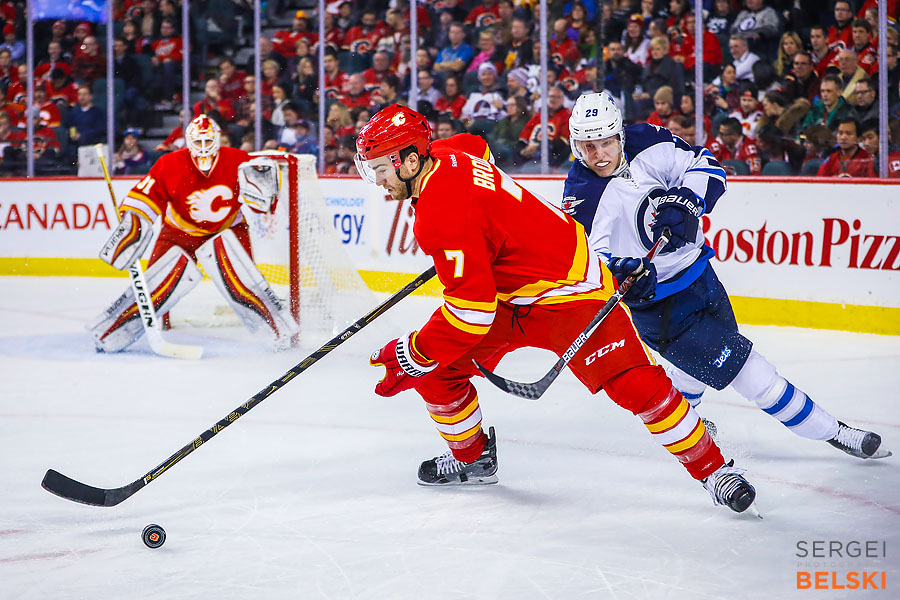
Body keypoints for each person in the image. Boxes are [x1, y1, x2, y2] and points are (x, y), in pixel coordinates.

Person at [355, 103, 759, 513]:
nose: (378, 181)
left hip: (573, 292)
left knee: (637, 386)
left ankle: (714, 470)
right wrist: (482, 231)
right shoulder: (445, 152)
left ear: (409, 160)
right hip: (509, 297)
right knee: (440, 372)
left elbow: (470, 313)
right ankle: (473, 458)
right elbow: (479, 148)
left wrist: (412, 353)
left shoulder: (440, 215)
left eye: (381, 170)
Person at [560, 91, 889, 464]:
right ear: (575, 145)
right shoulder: (582, 197)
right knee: (752, 371)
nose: (598, 154)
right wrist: (621, 270)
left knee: (699, 366)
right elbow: (586, 262)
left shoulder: (647, 140)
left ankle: (688, 418)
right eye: (588, 146)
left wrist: (686, 199)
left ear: (620, 135)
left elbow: (705, 165)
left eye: (605, 142)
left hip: (701, 275)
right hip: (662, 310)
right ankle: (834, 432)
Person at [88, 115, 299, 352]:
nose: (203, 148)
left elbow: (263, 203)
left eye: (208, 141)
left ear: (218, 139)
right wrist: (133, 226)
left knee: (244, 284)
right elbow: (146, 197)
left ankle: (277, 331)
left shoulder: (239, 160)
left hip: (228, 228)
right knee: (155, 287)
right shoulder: (169, 163)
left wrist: (265, 194)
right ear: (188, 141)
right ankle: (111, 332)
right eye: (197, 142)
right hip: (178, 232)